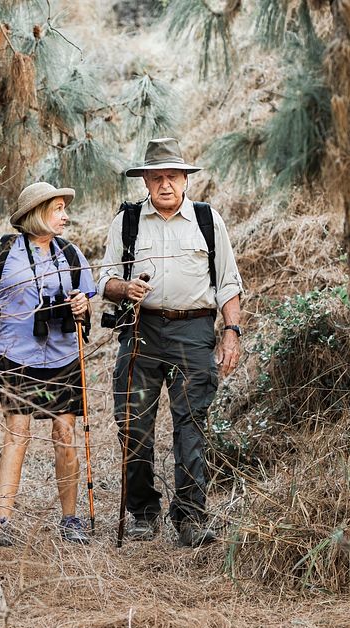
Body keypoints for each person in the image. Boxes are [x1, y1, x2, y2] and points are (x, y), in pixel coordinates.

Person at [97, 137, 243, 547]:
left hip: (193, 334)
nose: (165, 185)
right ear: (144, 181)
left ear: (185, 179)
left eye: (173, 177)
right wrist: (124, 288)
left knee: (191, 426)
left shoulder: (207, 221)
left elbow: (229, 282)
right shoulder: (125, 223)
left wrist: (230, 333)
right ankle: (143, 513)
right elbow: (102, 279)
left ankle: (191, 518)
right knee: (133, 425)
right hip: (140, 334)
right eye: (157, 177)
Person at [0, 182, 97, 547]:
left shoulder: (71, 254)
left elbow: (86, 302)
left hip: (63, 355)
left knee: (64, 435)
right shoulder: (3, 251)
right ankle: (3, 520)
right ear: (36, 213)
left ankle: (70, 520)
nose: (65, 215)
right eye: (58, 209)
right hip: (16, 354)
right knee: (17, 433)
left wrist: (81, 307)